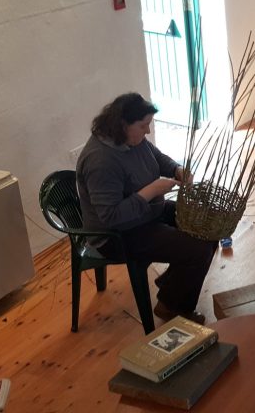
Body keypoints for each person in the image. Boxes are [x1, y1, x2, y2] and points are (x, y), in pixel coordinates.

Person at [76, 92, 217, 324]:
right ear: (122, 124)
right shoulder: (101, 161)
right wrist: (151, 191)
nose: (148, 131)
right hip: (117, 235)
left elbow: (157, 158)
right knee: (197, 250)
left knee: (207, 226)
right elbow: (111, 217)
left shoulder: (132, 139)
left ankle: (172, 286)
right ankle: (171, 307)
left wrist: (177, 170)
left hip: (146, 214)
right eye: (143, 126)